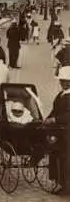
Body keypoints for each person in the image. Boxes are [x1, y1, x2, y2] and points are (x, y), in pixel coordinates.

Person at [43, 66, 70, 194]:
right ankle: (59, 182)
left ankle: (65, 185)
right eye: (61, 81)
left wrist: (55, 119)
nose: (62, 83)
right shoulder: (61, 95)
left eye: (64, 81)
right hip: (59, 131)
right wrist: (47, 118)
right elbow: (54, 110)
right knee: (56, 156)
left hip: (67, 133)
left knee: (65, 158)